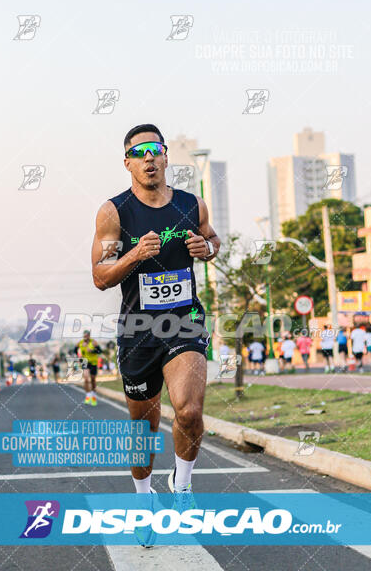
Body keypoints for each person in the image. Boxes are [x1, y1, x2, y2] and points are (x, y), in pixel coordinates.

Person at [91, 124, 220, 546]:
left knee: (188, 411)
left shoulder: (190, 203)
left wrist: (208, 248)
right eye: (138, 151)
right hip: (138, 330)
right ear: (127, 162)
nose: (148, 157)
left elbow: (213, 239)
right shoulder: (114, 212)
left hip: (184, 321)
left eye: (155, 149)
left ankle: (182, 486)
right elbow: (100, 277)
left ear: (166, 157)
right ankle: (144, 500)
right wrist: (133, 254)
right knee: (142, 431)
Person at [75, 330, 102, 405]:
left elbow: (100, 351)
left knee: (93, 379)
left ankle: (93, 396)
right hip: (85, 361)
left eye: (86, 336)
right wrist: (79, 357)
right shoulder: (80, 343)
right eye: (84, 336)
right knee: (86, 379)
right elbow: (75, 350)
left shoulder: (93, 342)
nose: (85, 338)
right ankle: (88, 396)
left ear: (89, 336)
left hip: (93, 362)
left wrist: (92, 350)